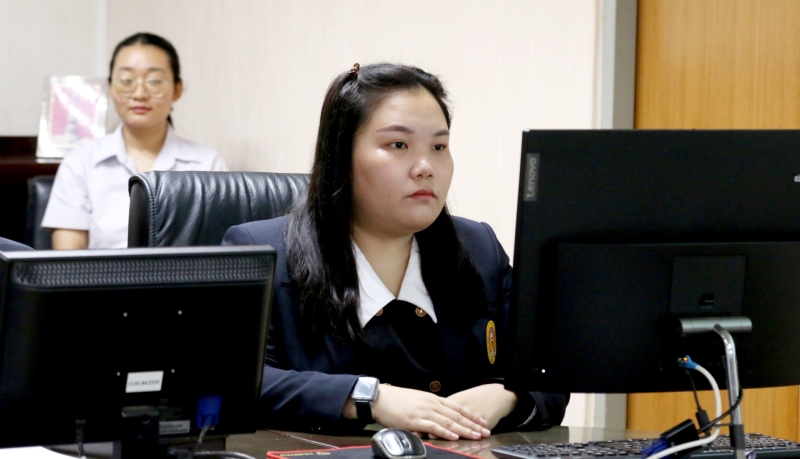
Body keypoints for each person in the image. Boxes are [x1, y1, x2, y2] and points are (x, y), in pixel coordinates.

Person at [222, 63, 568, 438]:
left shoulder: (479, 248)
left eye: (439, 146)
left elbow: (549, 373)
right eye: (398, 145)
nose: (425, 167)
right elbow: (229, 379)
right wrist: (368, 397)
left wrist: (506, 395)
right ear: (340, 157)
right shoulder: (264, 253)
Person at [42, 33, 228, 250]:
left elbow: (219, 252)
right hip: (102, 273)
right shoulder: (81, 163)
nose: (139, 94)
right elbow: (68, 259)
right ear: (111, 88)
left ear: (177, 89)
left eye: (154, 81)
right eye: (126, 81)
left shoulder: (208, 164)